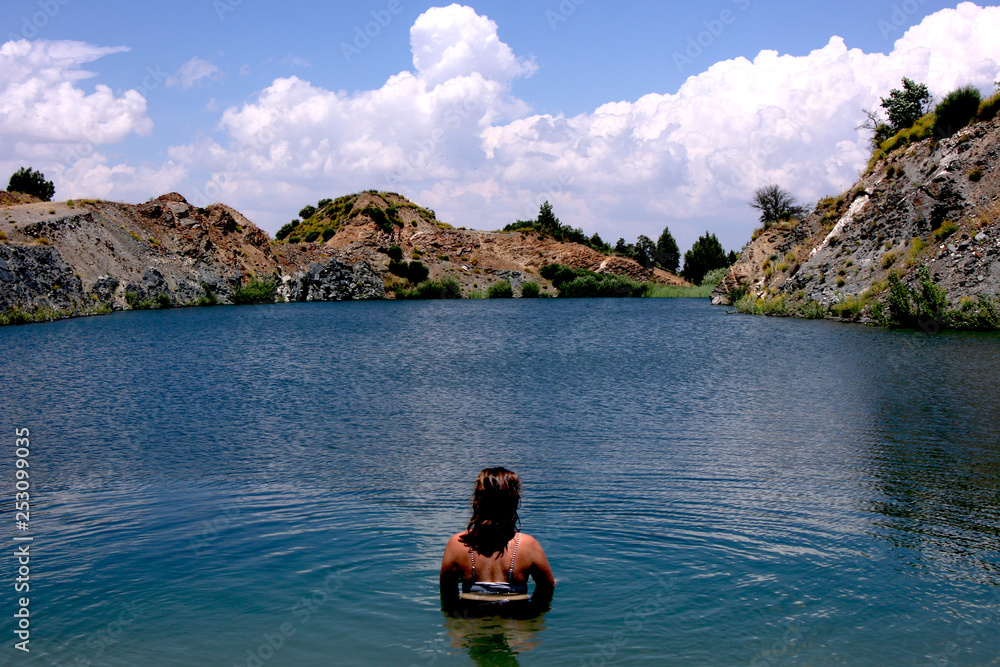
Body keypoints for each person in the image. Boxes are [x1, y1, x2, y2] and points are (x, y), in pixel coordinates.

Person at [440, 467, 555, 613]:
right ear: (513, 501)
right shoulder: (528, 545)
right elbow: (546, 589)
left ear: (478, 500)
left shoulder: (457, 544)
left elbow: (447, 598)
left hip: (472, 623)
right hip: (515, 623)